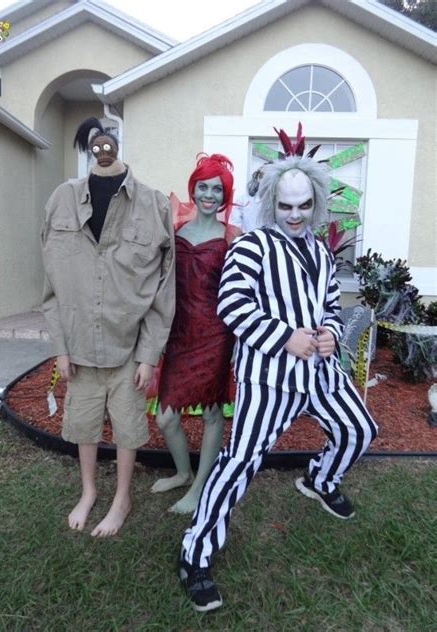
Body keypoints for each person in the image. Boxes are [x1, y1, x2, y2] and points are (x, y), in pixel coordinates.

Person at [178, 126, 378, 611]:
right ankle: (194, 552)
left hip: (321, 371)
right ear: (271, 202)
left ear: (315, 204)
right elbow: (233, 305)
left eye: (303, 205)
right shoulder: (252, 246)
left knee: (359, 430)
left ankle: (319, 480)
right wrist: (285, 337)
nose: (294, 214)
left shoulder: (321, 252)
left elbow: (330, 304)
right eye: (286, 205)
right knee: (240, 462)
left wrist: (330, 330)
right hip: (268, 377)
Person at [41, 117, 175, 537]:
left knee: (128, 431)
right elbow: (51, 285)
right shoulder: (62, 200)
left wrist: (149, 356)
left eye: (109, 142)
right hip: (79, 350)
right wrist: (61, 348)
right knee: (82, 427)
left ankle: (121, 498)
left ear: (117, 145)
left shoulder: (153, 205)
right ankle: (88, 491)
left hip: (128, 350)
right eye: (96, 145)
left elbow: (163, 287)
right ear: (89, 149)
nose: (103, 149)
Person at [150, 154, 236, 514]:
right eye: (204, 187)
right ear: (194, 188)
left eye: (217, 189)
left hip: (216, 336)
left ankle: (200, 487)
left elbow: (244, 291)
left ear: (224, 197)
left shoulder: (233, 237)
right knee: (165, 416)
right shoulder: (175, 231)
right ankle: (183, 472)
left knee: (213, 414)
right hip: (180, 335)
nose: (209, 195)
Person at [230, 161, 272, 232]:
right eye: (262, 176)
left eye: (270, 177)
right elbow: (235, 230)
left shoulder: (281, 204)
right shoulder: (242, 201)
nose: (265, 181)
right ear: (258, 178)